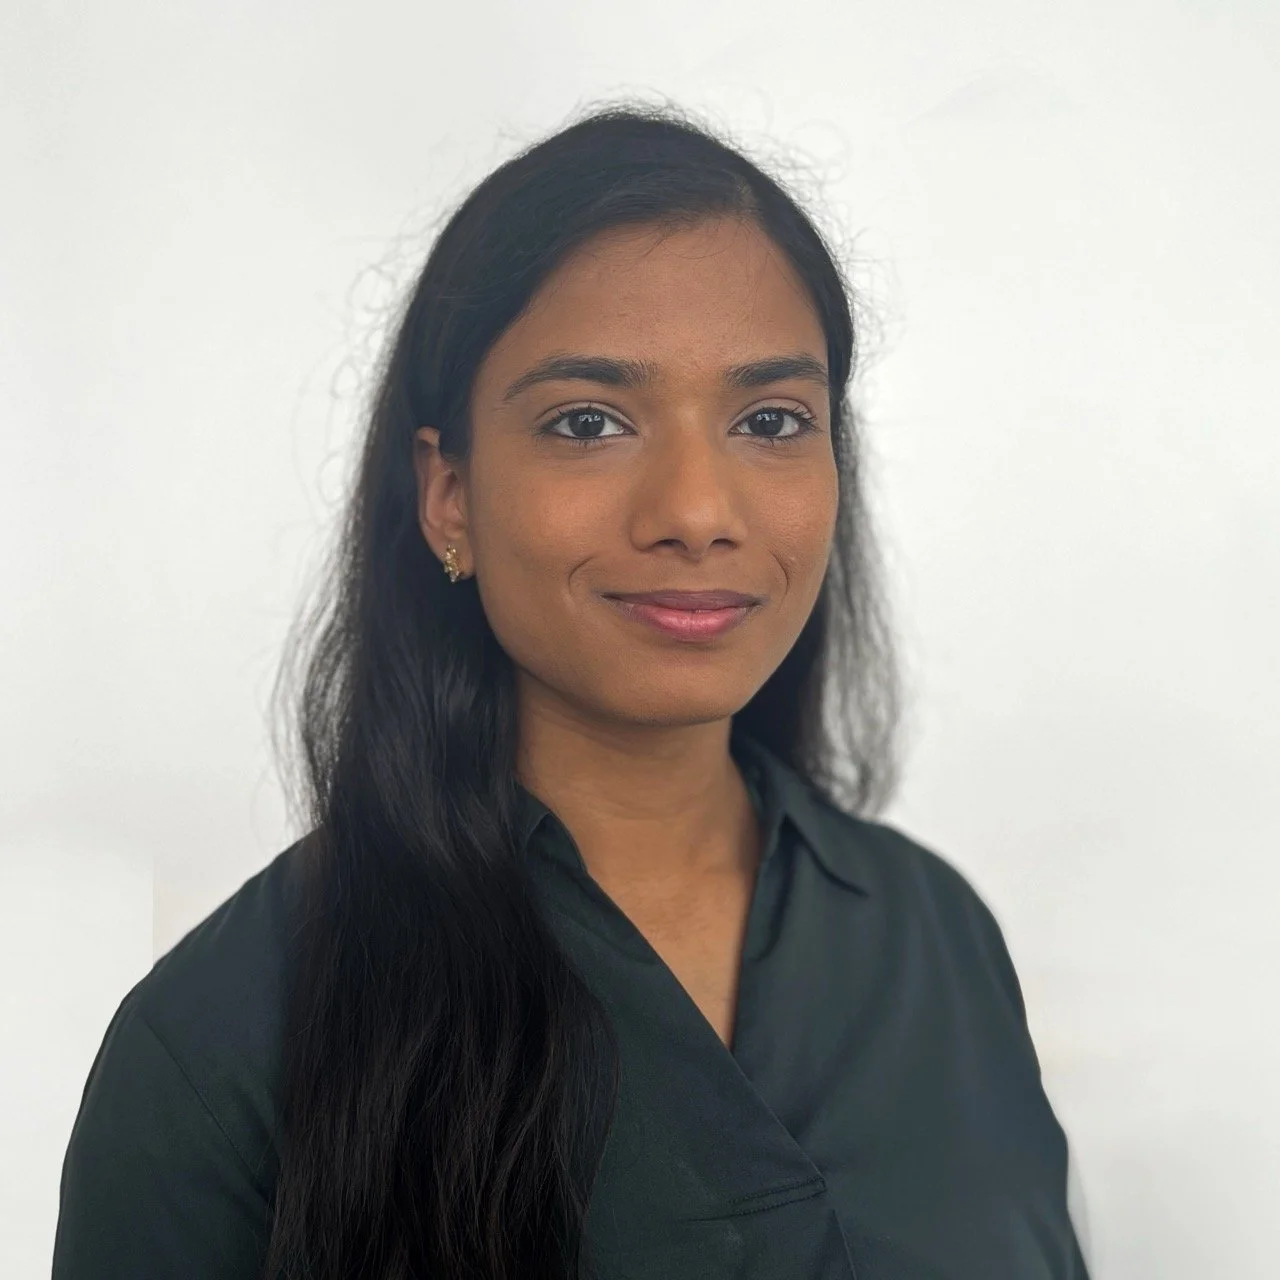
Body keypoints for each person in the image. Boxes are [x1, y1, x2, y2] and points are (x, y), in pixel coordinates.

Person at [52, 100, 1090, 1280]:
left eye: (769, 419)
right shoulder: (219, 1045)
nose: (697, 512)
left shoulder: (932, 934)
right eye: (588, 421)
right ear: (449, 496)